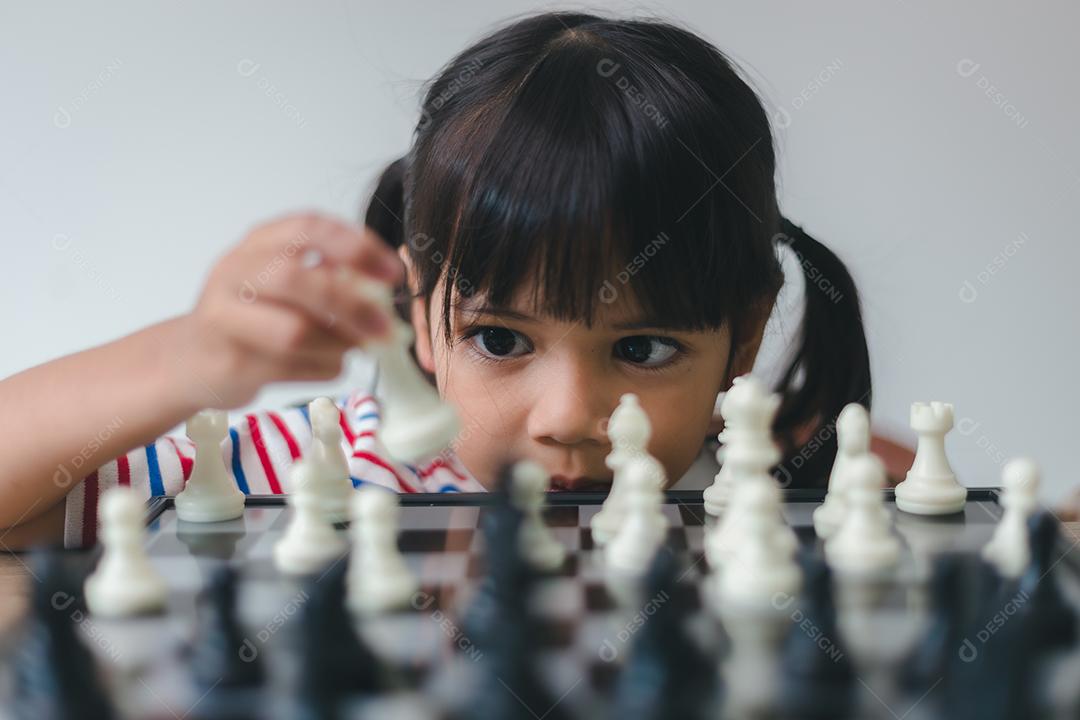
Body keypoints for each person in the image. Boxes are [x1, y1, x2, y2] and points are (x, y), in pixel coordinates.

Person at [0, 12, 870, 548]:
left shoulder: (805, 489)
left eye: (643, 348)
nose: (569, 419)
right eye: (500, 338)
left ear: (745, 336)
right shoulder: (311, 472)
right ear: (419, 312)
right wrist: (185, 358)